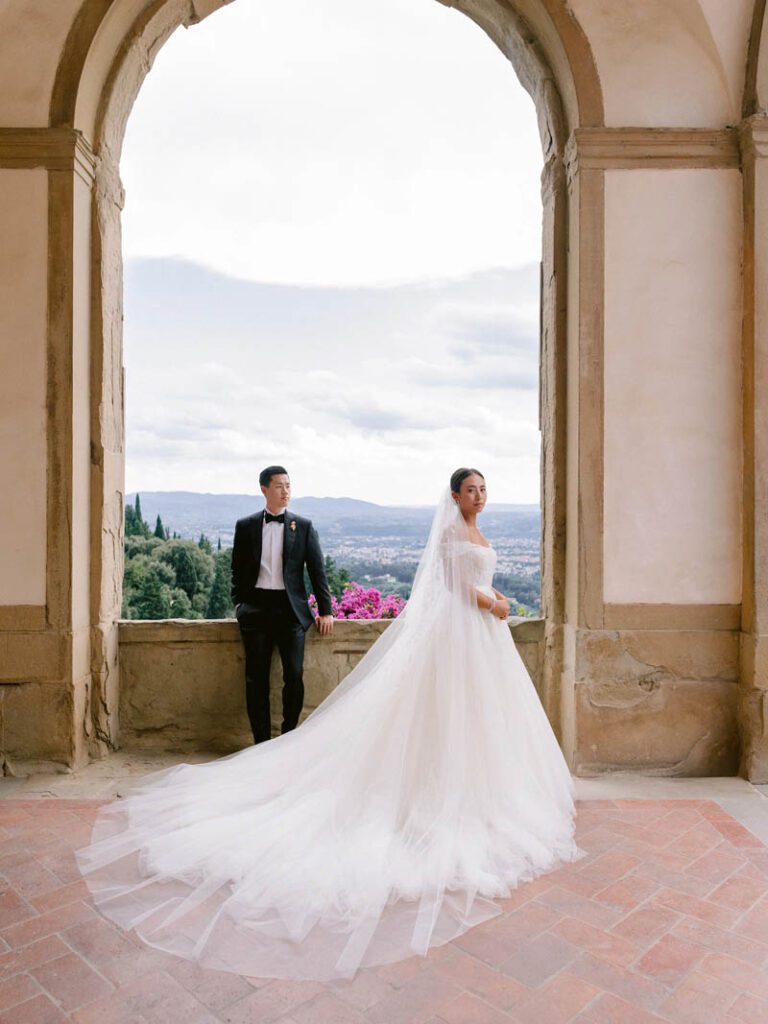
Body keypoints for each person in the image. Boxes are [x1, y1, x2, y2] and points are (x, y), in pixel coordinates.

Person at [76, 468, 583, 981]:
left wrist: (490, 600)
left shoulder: (472, 530)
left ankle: (479, 794)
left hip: (477, 641)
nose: (480, 496)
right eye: (471, 489)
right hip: (464, 629)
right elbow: (456, 585)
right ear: (454, 496)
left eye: (483, 489)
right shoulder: (451, 532)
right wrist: (497, 602)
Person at [231, 466, 334, 743]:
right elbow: (237, 570)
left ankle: (288, 739)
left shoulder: (303, 526)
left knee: (295, 674)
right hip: (256, 608)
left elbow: (317, 570)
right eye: (279, 486)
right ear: (264, 489)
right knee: (256, 679)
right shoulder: (246, 526)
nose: (285, 491)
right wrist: (240, 605)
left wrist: (326, 611)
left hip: (290, 610)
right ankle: (261, 742)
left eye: (288, 485)